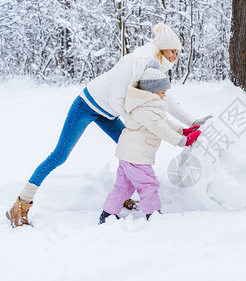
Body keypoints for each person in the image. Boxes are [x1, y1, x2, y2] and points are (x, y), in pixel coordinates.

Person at [6, 22, 211, 227]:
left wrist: (192, 121)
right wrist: (140, 118)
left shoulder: (153, 67)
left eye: (177, 52)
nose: (175, 56)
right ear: (162, 47)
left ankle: (119, 197)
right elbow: (116, 100)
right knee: (60, 155)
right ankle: (21, 204)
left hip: (110, 114)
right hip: (87, 105)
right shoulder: (133, 61)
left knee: (132, 150)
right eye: (173, 50)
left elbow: (164, 100)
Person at [99, 62, 201, 224]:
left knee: (123, 187)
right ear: (151, 91)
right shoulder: (145, 109)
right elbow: (161, 129)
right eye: (162, 92)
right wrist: (183, 141)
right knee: (148, 184)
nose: (164, 95)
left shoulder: (148, 106)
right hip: (136, 157)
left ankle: (107, 214)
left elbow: (164, 122)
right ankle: (153, 215)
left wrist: (183, 130)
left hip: (129, 155)